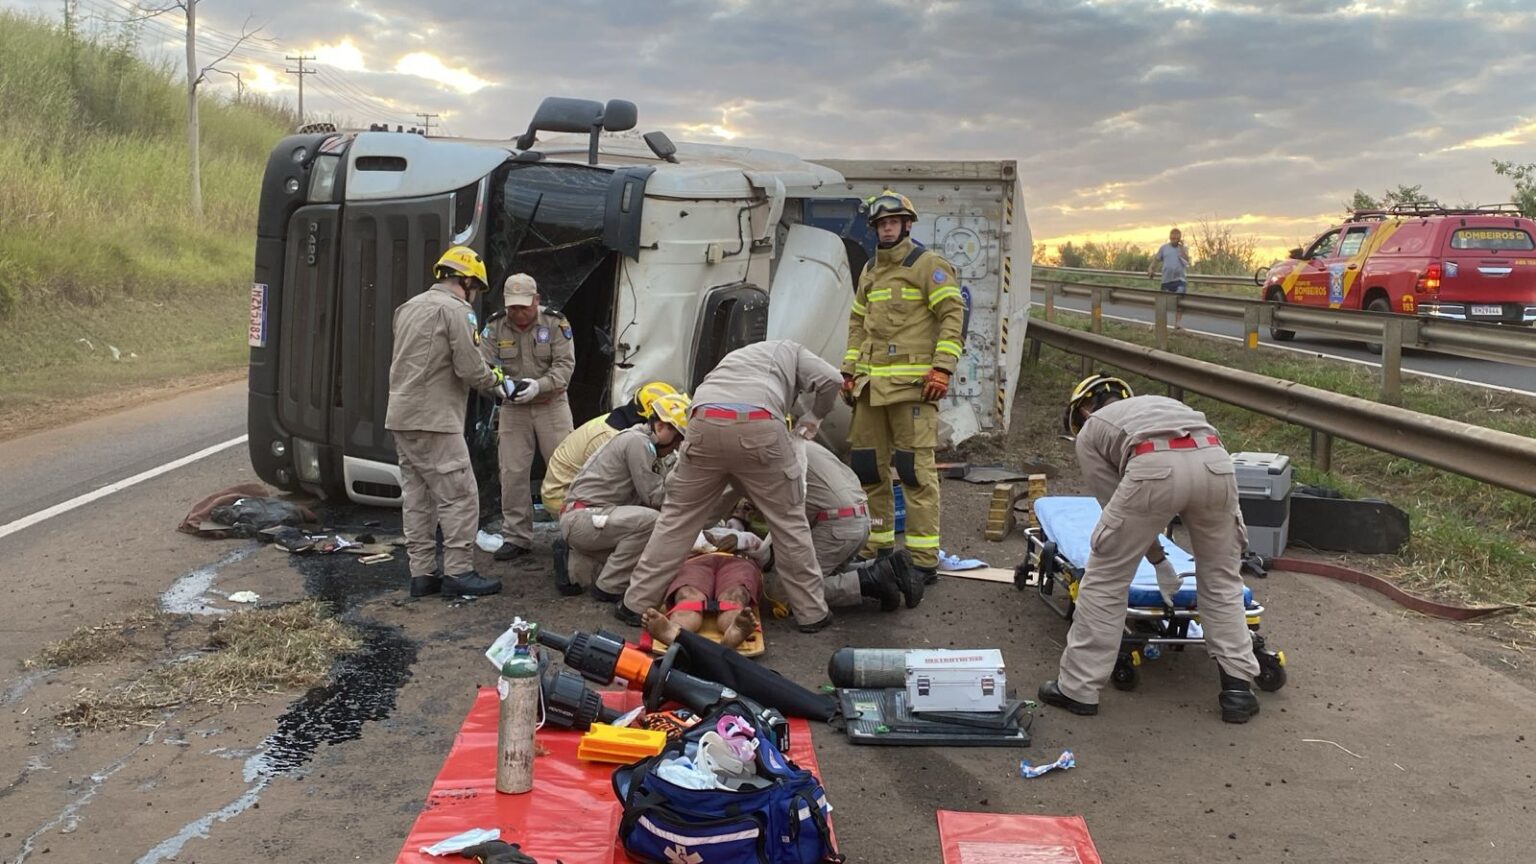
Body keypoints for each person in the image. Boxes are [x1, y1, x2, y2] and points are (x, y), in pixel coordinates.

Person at [1038, 373, 1261, 724]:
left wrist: (1157, 559)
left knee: (1106, 579)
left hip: (1152, 464)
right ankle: (1237, 690)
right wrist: (1160, 558)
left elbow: (1114, 506)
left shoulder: (1092, 429)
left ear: (1082, 408)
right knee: (1221, 580)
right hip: (1215, 462)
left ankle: (1077, 689)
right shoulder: (1161, 404)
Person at [618, 340, 842, 631]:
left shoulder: (735, 359)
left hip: (703, 421)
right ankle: (812, 613)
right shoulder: (793, 351)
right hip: (759, 424)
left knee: (676, 521)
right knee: (789, 524)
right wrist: (815, 415)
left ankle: (634, 604)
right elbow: (832, 380)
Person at [841, 189, 966, 586]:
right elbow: (857, 324)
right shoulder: (870, 272)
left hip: (914, 389)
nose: (887, 228)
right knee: (867, 471)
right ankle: (876, 546)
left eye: (894, 221)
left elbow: (952, 314)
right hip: (870, 391)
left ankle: (923, 558)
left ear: (907, 225)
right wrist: (849, 371)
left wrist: (942, 368)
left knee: (914, 473)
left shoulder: (928, 264)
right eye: (881, 223)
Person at [385, 245, 513, 599]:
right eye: (475, 289)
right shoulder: (458, 311)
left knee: (418, 497)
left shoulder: (407, 307)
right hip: (436, 419)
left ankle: (422, 575)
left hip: (401, 415)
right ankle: (458, 572)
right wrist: (500, 383)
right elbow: (470, 368)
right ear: (467, 281)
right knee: (459, 495)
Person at [542, 381, 680, 596]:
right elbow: (654, 496)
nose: (678, 445)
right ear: (661, 426)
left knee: (637, 550)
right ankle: (609, 587)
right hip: (584, 516)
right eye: (678, 438)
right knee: (651, 522)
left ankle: (574, 566)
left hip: (591, 515)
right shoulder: (638, 442)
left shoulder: (638, 439)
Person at [480, 273, 575, 562]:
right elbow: (483, 366)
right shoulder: (495, 327)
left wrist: (539, 386)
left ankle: (574, 533)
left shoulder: (556, 324)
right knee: (512, 472)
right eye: (513, 307)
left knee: (565, 470)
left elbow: (564, 366)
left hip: (552, 404)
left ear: (536, 300)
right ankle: (517, 536)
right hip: (514, 408)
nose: (519, 313)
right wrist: (500, 387)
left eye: (525, 306)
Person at [801, 440, 922, 611]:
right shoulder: (806, 445)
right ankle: (887, 567)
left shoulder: (776, 457)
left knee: (789, 592)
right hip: (860, 520)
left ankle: (874, 581)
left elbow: (788, 524)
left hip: (838, 528)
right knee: (830, 572)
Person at [540, 381, 679, 516]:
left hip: (576, 492)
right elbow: (645, 489)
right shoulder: (615, 437)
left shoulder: (621, 425)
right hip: (564, 499)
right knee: (646, 512)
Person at [658, 551, 763, 651]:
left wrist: (740, 541)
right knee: (688, 595)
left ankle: (735, 630)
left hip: (738, 558)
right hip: (694, 558)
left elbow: (765, 555)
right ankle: (675, 632)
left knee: (734, 595)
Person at [1148, 227, 1191, 329]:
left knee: (1179, 301)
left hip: (1179, 280)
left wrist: (1182, 248)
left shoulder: (1183, 249)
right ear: (1170, 237)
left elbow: (1187, 261)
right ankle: (1159, 323)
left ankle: (1177, 324)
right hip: (1166, 281)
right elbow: (1156, 259)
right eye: (1172, 237)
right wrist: (1151, 268)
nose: (1174, 239)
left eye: (1176, 238)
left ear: (1179, 238)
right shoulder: (1164, 248)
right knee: (1163, 304)